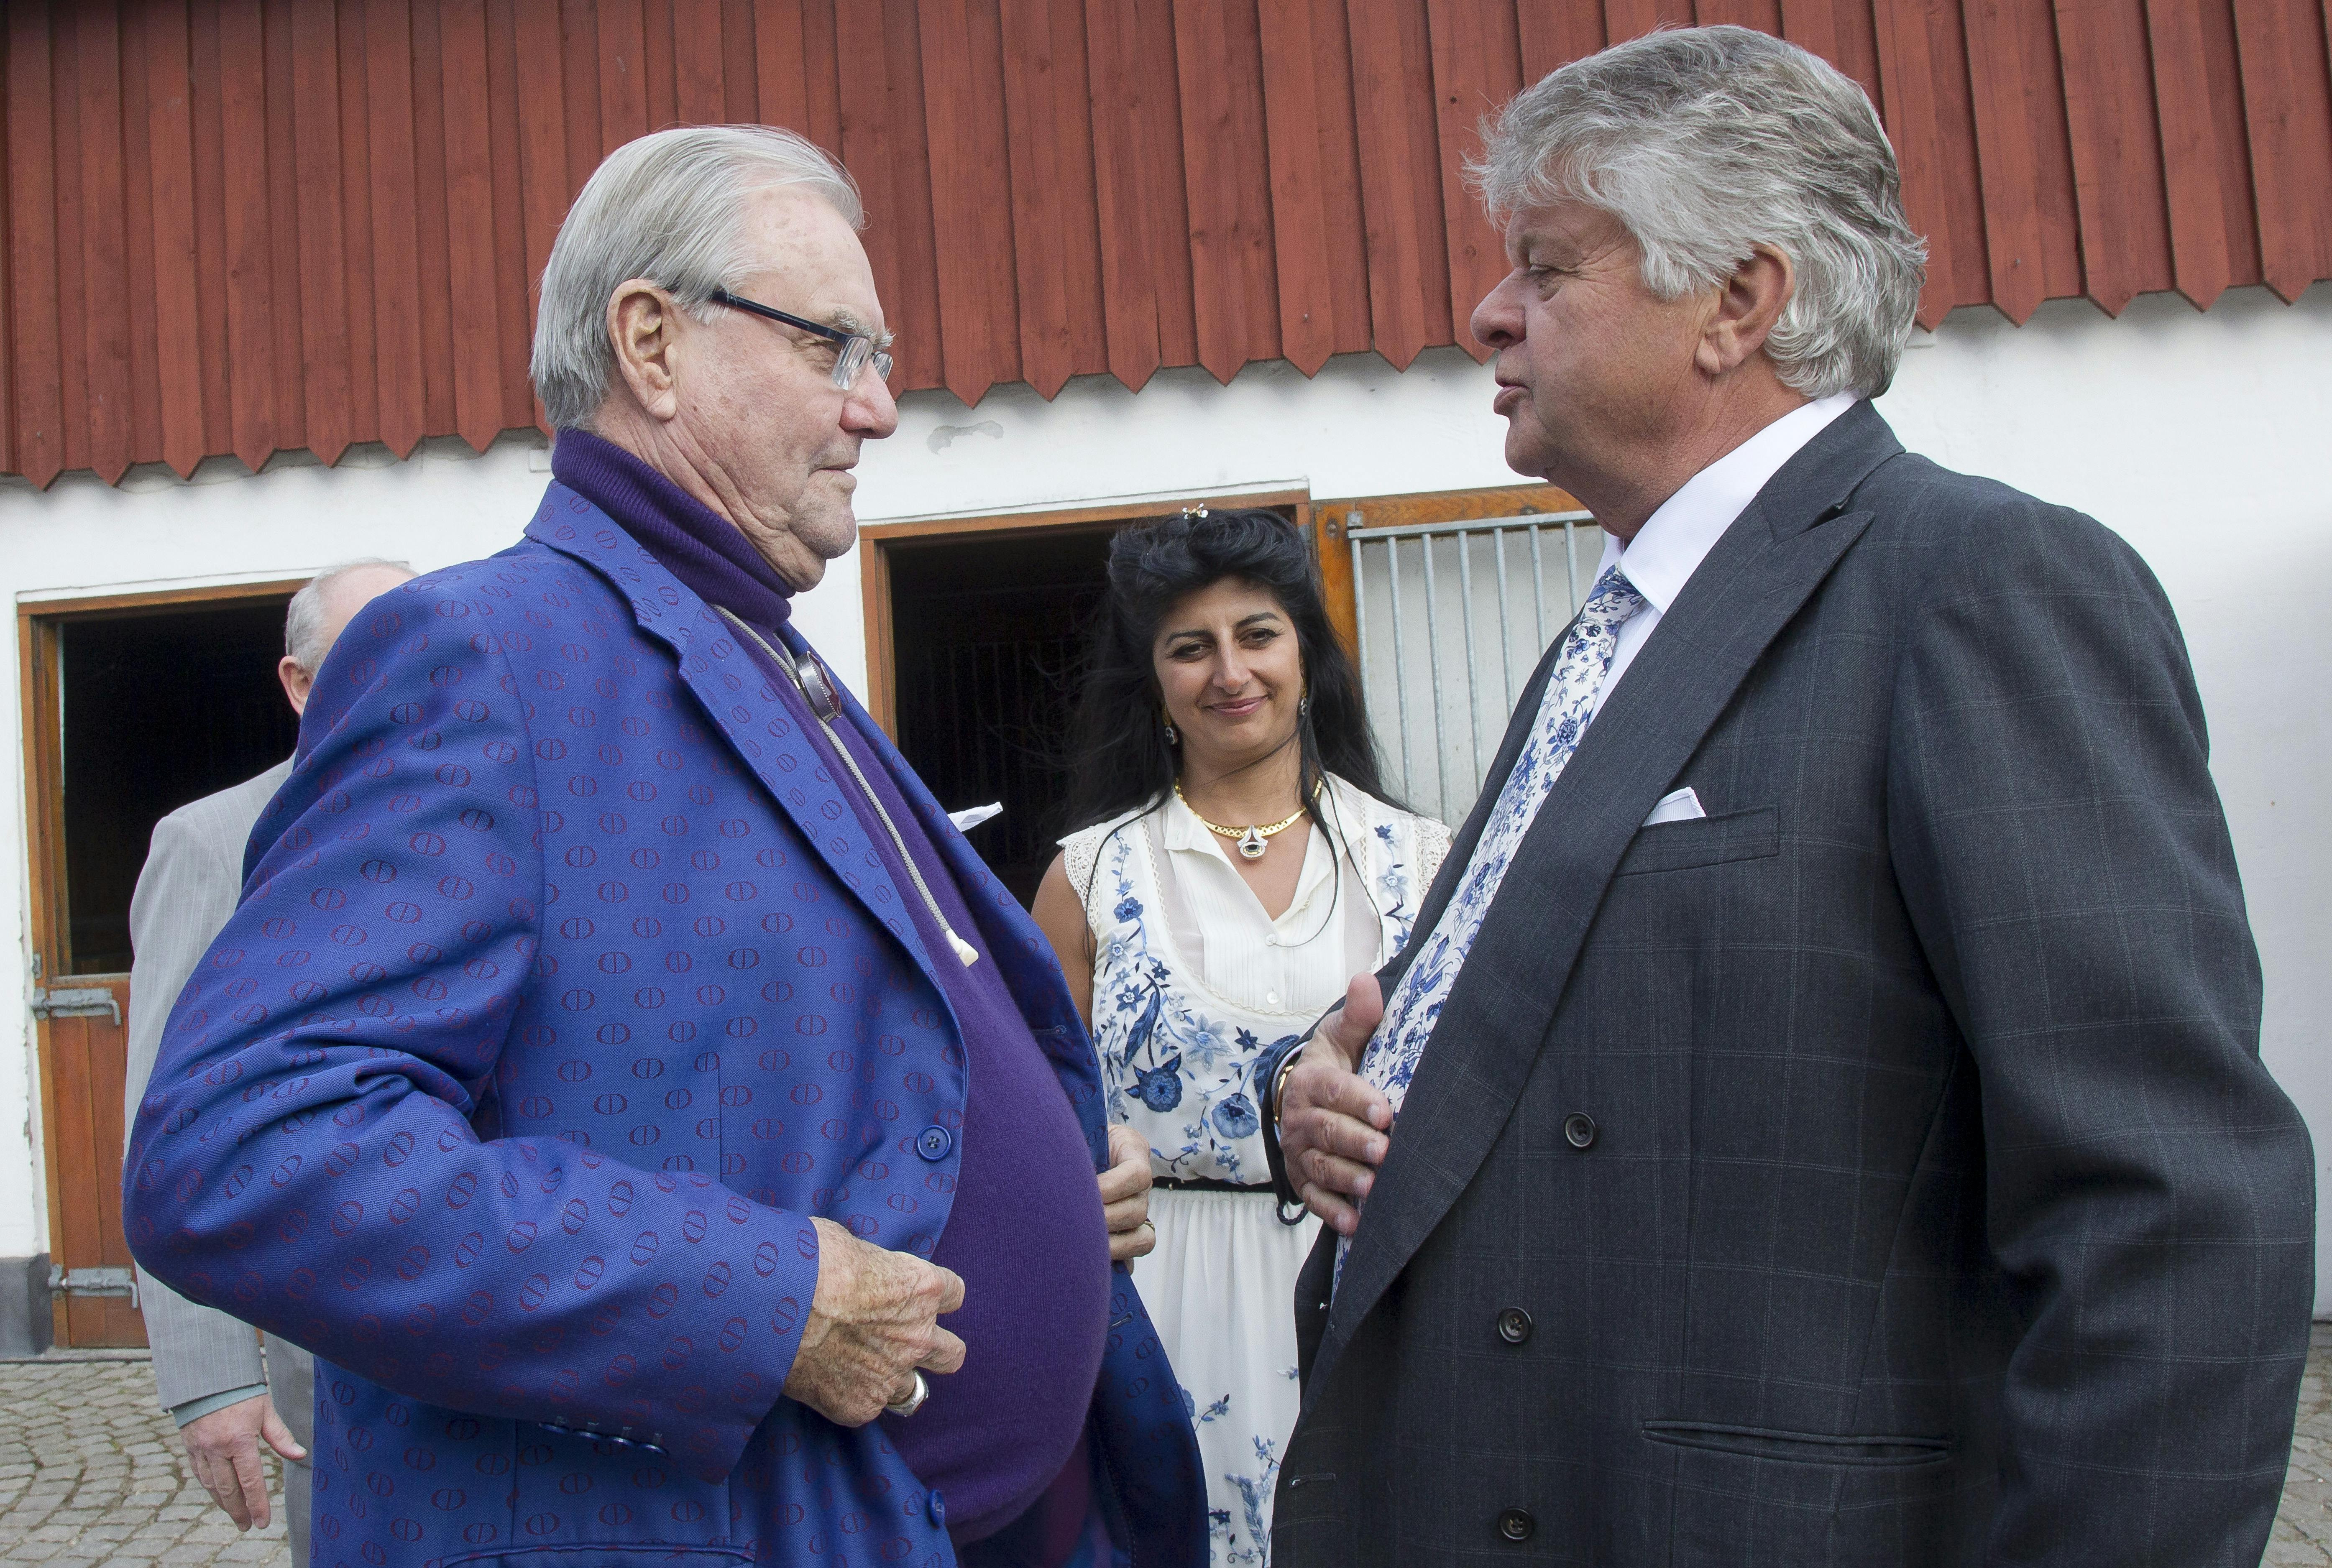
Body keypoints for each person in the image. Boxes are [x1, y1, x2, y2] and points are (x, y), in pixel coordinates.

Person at [1258, 27, 2313, 1567]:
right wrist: (1340, 1100)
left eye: (1545, 269)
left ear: (1737, 302)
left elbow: (2167, 1212)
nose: (1488, 313)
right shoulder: (1612, 632)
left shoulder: (1976, 586)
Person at [124, 124, 1205, 1568]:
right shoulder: (479, 659)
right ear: (650, 341)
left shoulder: (763, 652)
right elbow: (244, 1155)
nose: (877, 408)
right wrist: (765, 1301)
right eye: (836, 347)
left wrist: (1052, 1181)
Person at [1032, 510, 1449, 1565]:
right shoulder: (1088, 879)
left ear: (1305, 653)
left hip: (1374, 1298)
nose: (1230, 671)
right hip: (1159, 1310)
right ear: (1156, 678)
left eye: (1257, 634)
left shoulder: (1423, 862)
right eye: (1190, 646)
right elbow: (1033, 1128)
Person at [122, 559, 413, 1560]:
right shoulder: (214, 845)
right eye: (374, 656)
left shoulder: (502, 818)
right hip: (326, 1344)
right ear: (299, 684)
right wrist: (212, 1379)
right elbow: (160, 1123)